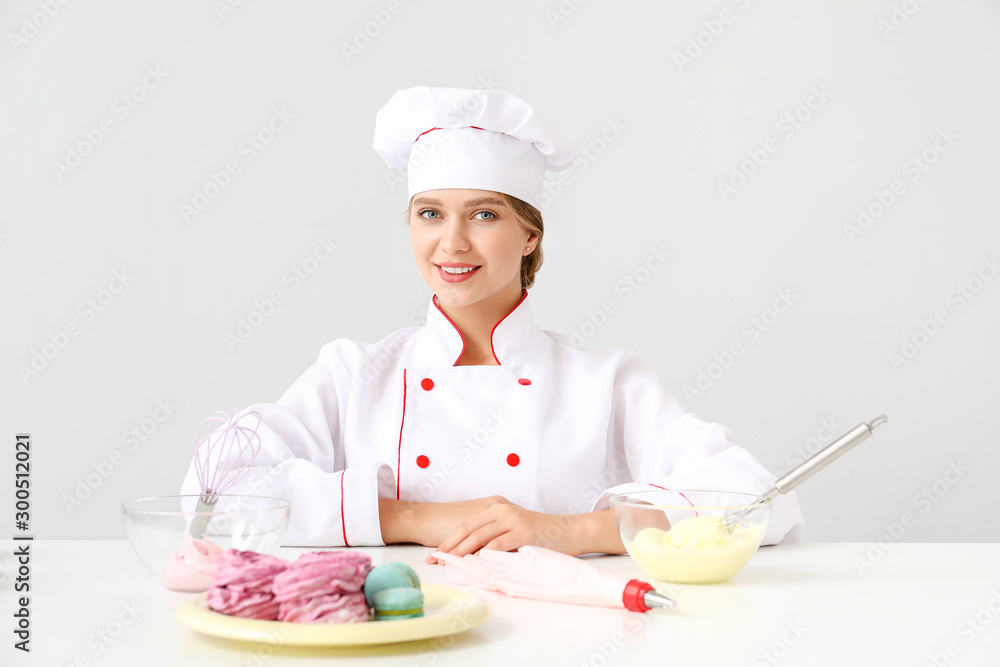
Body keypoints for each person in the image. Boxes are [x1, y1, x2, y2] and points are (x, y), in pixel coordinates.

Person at [181, 86, 804, 563]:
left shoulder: (605, 382)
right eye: (430, 214)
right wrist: (413, 518)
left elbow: (754, 501)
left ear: (529, 234)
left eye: (483, 214)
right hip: (399, 634)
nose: (452, 243)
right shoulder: (354, 373)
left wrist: (570, 530)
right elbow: (213, 498)